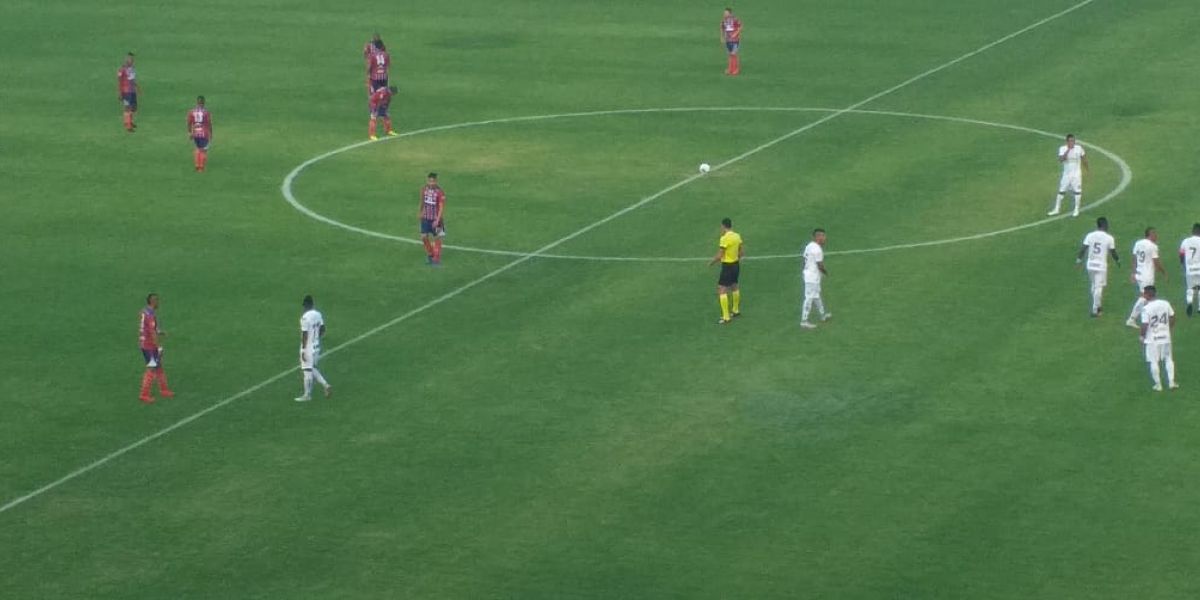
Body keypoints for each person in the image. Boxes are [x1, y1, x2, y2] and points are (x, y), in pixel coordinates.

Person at [1076, 216, 1119, 317]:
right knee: (1098, 288)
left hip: (1090, 265)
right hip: (1101, 266)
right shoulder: (1109, 238)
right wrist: (1117, 260)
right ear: (1104, 225)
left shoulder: (1090, 235)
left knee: (1094, 285)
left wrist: (1078, 260)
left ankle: (1098, 306)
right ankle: (1095, 310)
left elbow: (1083, 248)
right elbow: (1113, 251)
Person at [1139, 286, 1178, 391]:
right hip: (1165, 336)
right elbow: (1173, 317)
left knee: (1153, 361)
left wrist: (1142, 336)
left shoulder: (1146, 308)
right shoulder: (1165, 303)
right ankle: (1171, 382)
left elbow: (1144, 324)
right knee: (1168, 359)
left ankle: (1158, 385)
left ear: (1147, 295)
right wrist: (1167, 328)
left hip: (1152, 339)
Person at [1125, 228, 1166, 328]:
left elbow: (1134, 258)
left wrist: (1133, 273)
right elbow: (1156, 262)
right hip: (1146, 275)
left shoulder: (1138, 243)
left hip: (1139, 273)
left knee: (1147, 297)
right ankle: (1131, 319)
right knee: (1145, 297)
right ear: (1150, 234)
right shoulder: (1153, 246)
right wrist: (1164, 272)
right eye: (1155, 234)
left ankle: (1148, 317)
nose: (1156, 236)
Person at [138, 293, 175, 403]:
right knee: (151, 368)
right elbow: (151, 332)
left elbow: (149, 326)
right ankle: (144, 394)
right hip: (149, 346)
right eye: (157, 301)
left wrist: (159, 331)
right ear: (153, 301)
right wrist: (158, 346)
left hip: (145, 343)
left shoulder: (145, 311)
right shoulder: (150, 315)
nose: (158, 303)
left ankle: (164, 390)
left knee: (158, 366)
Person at [296, 295, 332, 402]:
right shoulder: (318, 314)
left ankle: (307, 395)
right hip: (317, 345)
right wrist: (316, 338)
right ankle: (326, 385)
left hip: (308, 347)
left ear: (305, 306)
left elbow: (305, 335)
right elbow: (323, 329)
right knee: (312, 368)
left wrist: (303, 349)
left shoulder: (304, 318)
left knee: (307, 370)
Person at [709, 217, 743, 324]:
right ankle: (736, 310)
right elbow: (741, 252)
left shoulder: (724, 238)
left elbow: (720, 254)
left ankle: (726, 317)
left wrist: (712, 262)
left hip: (727, 266)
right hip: (736, 265)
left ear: (723, 226)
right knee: (734, 286)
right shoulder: (737, 236)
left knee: (721, 289)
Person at [1047, 133, 1089, 217]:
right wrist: (1068, 150)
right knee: (1061, 191)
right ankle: (1056, 209)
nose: (1072, 142)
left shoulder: (1079, 148)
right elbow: (1061, 159)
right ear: (1067, 142)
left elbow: (1084, 159)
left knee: (1077, 192)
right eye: (1070, 141)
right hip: (1066, 174)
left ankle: (1076, 209)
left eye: (1073, 141)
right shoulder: (1062, 149)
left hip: (1076, 174)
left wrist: (1087, 170)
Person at [800, 228, 831, 329]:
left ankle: (823, 315)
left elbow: (804, 260)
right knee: (809, 298)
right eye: (823, 236)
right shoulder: (817, 249)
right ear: (817, 237)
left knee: (816, 295)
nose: (825, 238)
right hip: (812, 277)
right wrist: (825, 272)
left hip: (810, 275)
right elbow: (820, 265)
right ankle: (804, 321)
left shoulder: (809, 245)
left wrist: (805, 270)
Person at [419, 172, 446, 265]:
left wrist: (437, 220)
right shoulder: (424, 189)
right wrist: (420, 212)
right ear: (427, 181)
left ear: (436, 181)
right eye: (430, 181)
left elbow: (441, 207)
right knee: (423, 237)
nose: (431, 183)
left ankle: (436, 259)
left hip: (436, 219)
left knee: (438, 237)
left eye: (433, 181)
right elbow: (422, 201)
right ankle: (430, 253)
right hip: (426, 217)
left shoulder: (440, 192)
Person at [1179, 223, 1200, 317]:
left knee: (1190, 287)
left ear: (1193, 231)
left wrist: (1184, 265)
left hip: (1189, 268)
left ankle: (1190, 302)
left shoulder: (1185, 241)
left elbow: (1182, 255)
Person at [186, 96, 212, 173]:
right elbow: (209, 123)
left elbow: (189, 123)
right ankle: (201, 167)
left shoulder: (191, 112)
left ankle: (197, 165)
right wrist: (211, 133)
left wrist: (189, 132)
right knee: (204, 150)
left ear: (197, 102)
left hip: (195, 133)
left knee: (197, 149)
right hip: (204, 133)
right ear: (203, 103)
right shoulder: (206, 112)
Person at [117, 52, 140, 132]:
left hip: (132, 91)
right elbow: (119, 81)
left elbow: (132, 79)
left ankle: (129, 121)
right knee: (127, 107)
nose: (132, 61)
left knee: (134, 107)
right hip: (126, 91)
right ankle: (128, 125)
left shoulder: (132, 68)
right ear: (126, 60)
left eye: (132, 59)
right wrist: (120, 92)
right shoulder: (122, 69)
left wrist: (137, 87)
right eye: (130, 59)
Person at [720, 8, 742, 76]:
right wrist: (722, 37)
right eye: (724, 13)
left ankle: (736, 69)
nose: (725, 14)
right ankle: (730, 69)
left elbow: (740, 26)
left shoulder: (735, 19)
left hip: (735, 40)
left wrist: (736, 33)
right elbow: (722, 28)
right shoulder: (724, 21)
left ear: (730, 13)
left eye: (726, 13)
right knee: (730, 54)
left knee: (733, 54)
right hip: (728, 40)